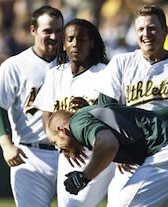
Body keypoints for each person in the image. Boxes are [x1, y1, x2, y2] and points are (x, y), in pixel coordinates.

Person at [96, 4, 168, 205]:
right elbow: (104, 109)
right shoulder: (121, 62)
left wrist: (131, 132)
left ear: (165, 31)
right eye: (141, 29)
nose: (146, 34)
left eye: (152, 28)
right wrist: (121, 149)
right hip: (132, 154)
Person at [0, 5, 64, 207]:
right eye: (47, 31)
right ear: (33, 30)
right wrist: (6, 146)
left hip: (69, 153)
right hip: (30, 155)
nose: (54, 36)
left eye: (59, 31)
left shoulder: (73, 63)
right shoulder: (14, 65)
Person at [46, 104, 168, 207]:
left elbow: (108, 144)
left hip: (167, 156)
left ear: (62, 130)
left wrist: (84, 177)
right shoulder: (97, 113)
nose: (58, 149)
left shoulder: (77, 121)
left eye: (55, 142)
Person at [33, 18, 115, 207]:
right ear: (63, 44)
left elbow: (118, 115)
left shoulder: (105, 73)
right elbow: (47, 117)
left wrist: (91, 111)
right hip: (66, 154)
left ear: (92, 43)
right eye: (70, 39)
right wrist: (60, 141)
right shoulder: (55, 74)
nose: (76, 44)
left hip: (99, 152)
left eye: (82, 39)